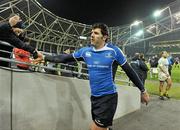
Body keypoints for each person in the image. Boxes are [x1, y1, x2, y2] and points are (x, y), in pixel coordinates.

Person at [33, 23, 149, 130]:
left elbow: (129, 71)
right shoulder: (85, 52)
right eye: (91, 33)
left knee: (94, 128)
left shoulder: (114, 51)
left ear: (105, 37)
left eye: (96, 33)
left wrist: (142, 90)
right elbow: (64, 58)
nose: (92, 35)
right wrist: (44, 57)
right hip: (95, 97)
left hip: (108, 97)